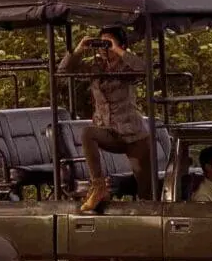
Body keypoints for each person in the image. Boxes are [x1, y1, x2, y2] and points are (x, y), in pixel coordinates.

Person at [63, 27, 152, 213]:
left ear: (122, 45)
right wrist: (80, 48)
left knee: (147, 190)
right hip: (109, 130)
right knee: (88, 133)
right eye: (102, 43)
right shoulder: (96, 67)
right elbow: (63, 71)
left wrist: (118, 50)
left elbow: (145, 70)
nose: (104, 48)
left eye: (108, 43)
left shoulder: (127, 66)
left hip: (134, 134)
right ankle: (98, 186)